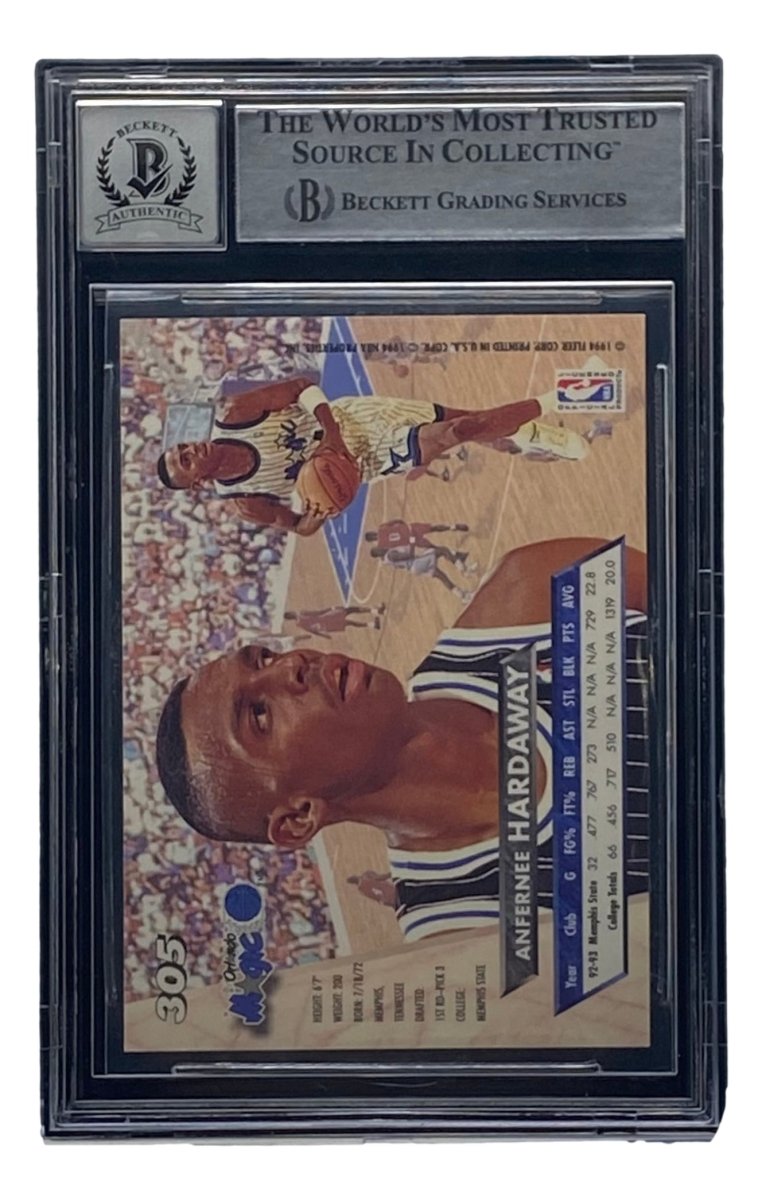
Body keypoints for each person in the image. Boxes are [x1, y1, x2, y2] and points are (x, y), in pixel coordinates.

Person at [156, 536, 648, 941]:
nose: (291, 665)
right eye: (259, 715)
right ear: (299, 817)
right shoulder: (469, 937)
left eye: (263, 657)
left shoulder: (528, 593)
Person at [155, 371, 557, 536]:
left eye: (183, 446)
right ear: (198, 483)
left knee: (469, 421)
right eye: (186, 460)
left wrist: (331, 435)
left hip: (355, 419)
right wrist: (322, 508)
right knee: (460, 431)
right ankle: (557, 400)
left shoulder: (235, 414)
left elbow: (301, 386)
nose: (192, 448)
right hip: (366, 460)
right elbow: (300, 527)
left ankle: (530, 433)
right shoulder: (246, 502)